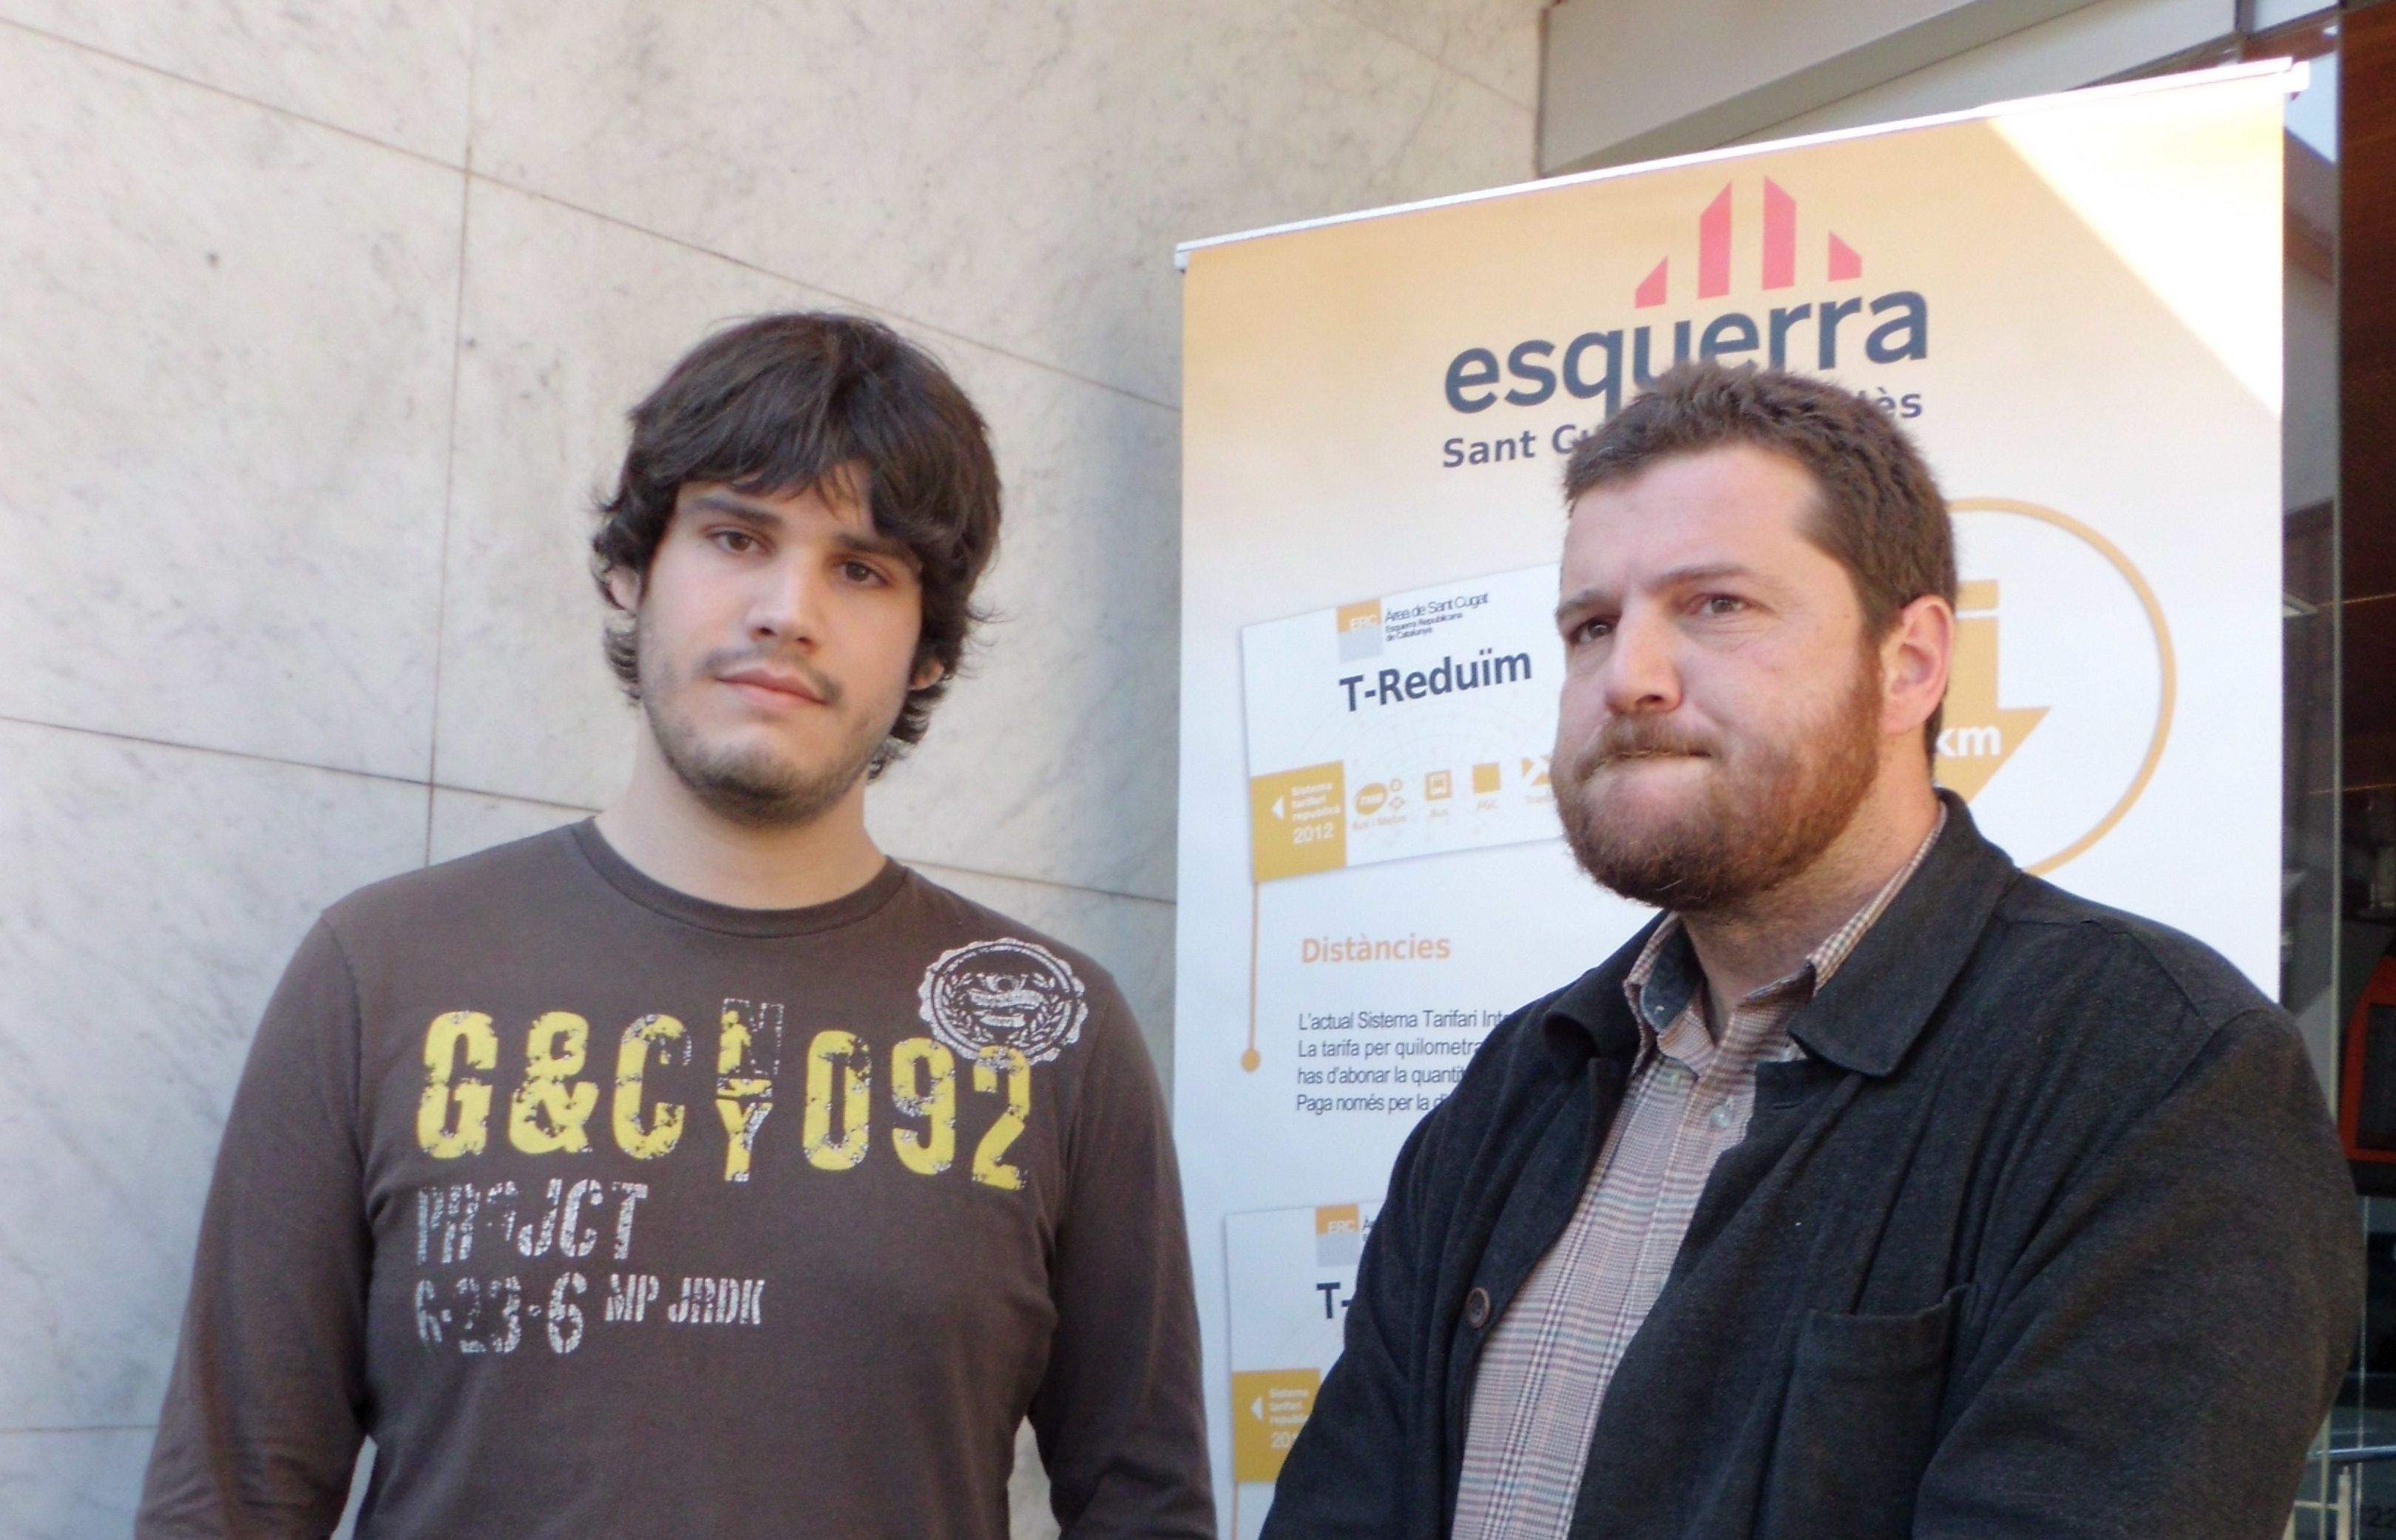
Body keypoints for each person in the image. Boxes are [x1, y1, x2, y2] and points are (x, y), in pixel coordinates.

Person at [136, 312, 1211, 1540]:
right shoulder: (381, 973)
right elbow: (231, 1499)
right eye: (738, 536)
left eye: (862, 569)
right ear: (632, 569)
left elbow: (1146, 1504)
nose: (787, 610)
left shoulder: (1051, 1030)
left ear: (928, 650)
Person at [1262, 362, 2359, 1540]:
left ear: (1912, 662)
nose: (1628, 676)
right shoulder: (1522, 1084)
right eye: (1592, 625)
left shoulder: (2155, 1075)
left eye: (1716, 605)